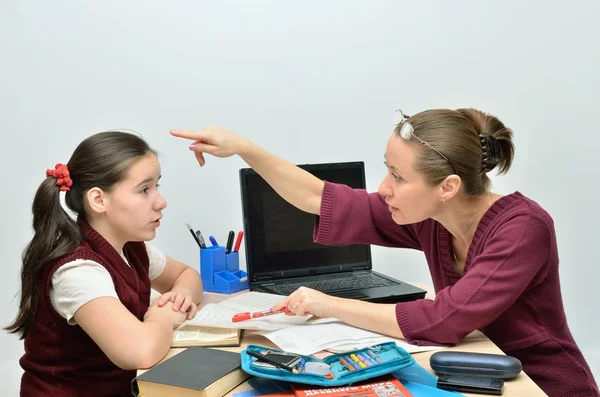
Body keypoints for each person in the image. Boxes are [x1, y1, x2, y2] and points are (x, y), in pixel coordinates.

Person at [171, 108, 599, 397]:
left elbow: (442, 321)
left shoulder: (522, 228)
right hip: (469, 372)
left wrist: (326, 304)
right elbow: (320, 198)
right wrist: (245, 148)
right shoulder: (431, 215)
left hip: (537, 385)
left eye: (397, 175)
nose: (382, 187)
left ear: (447, 187)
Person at [5, 131, 203, 397]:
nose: (161, 202)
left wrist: (179, 296)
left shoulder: (132, 246)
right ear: (99, 200)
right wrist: (161, 316)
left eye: (158, 186)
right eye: (144, 189)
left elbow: (187, 275)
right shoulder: (77, 271)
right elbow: (140, 351)